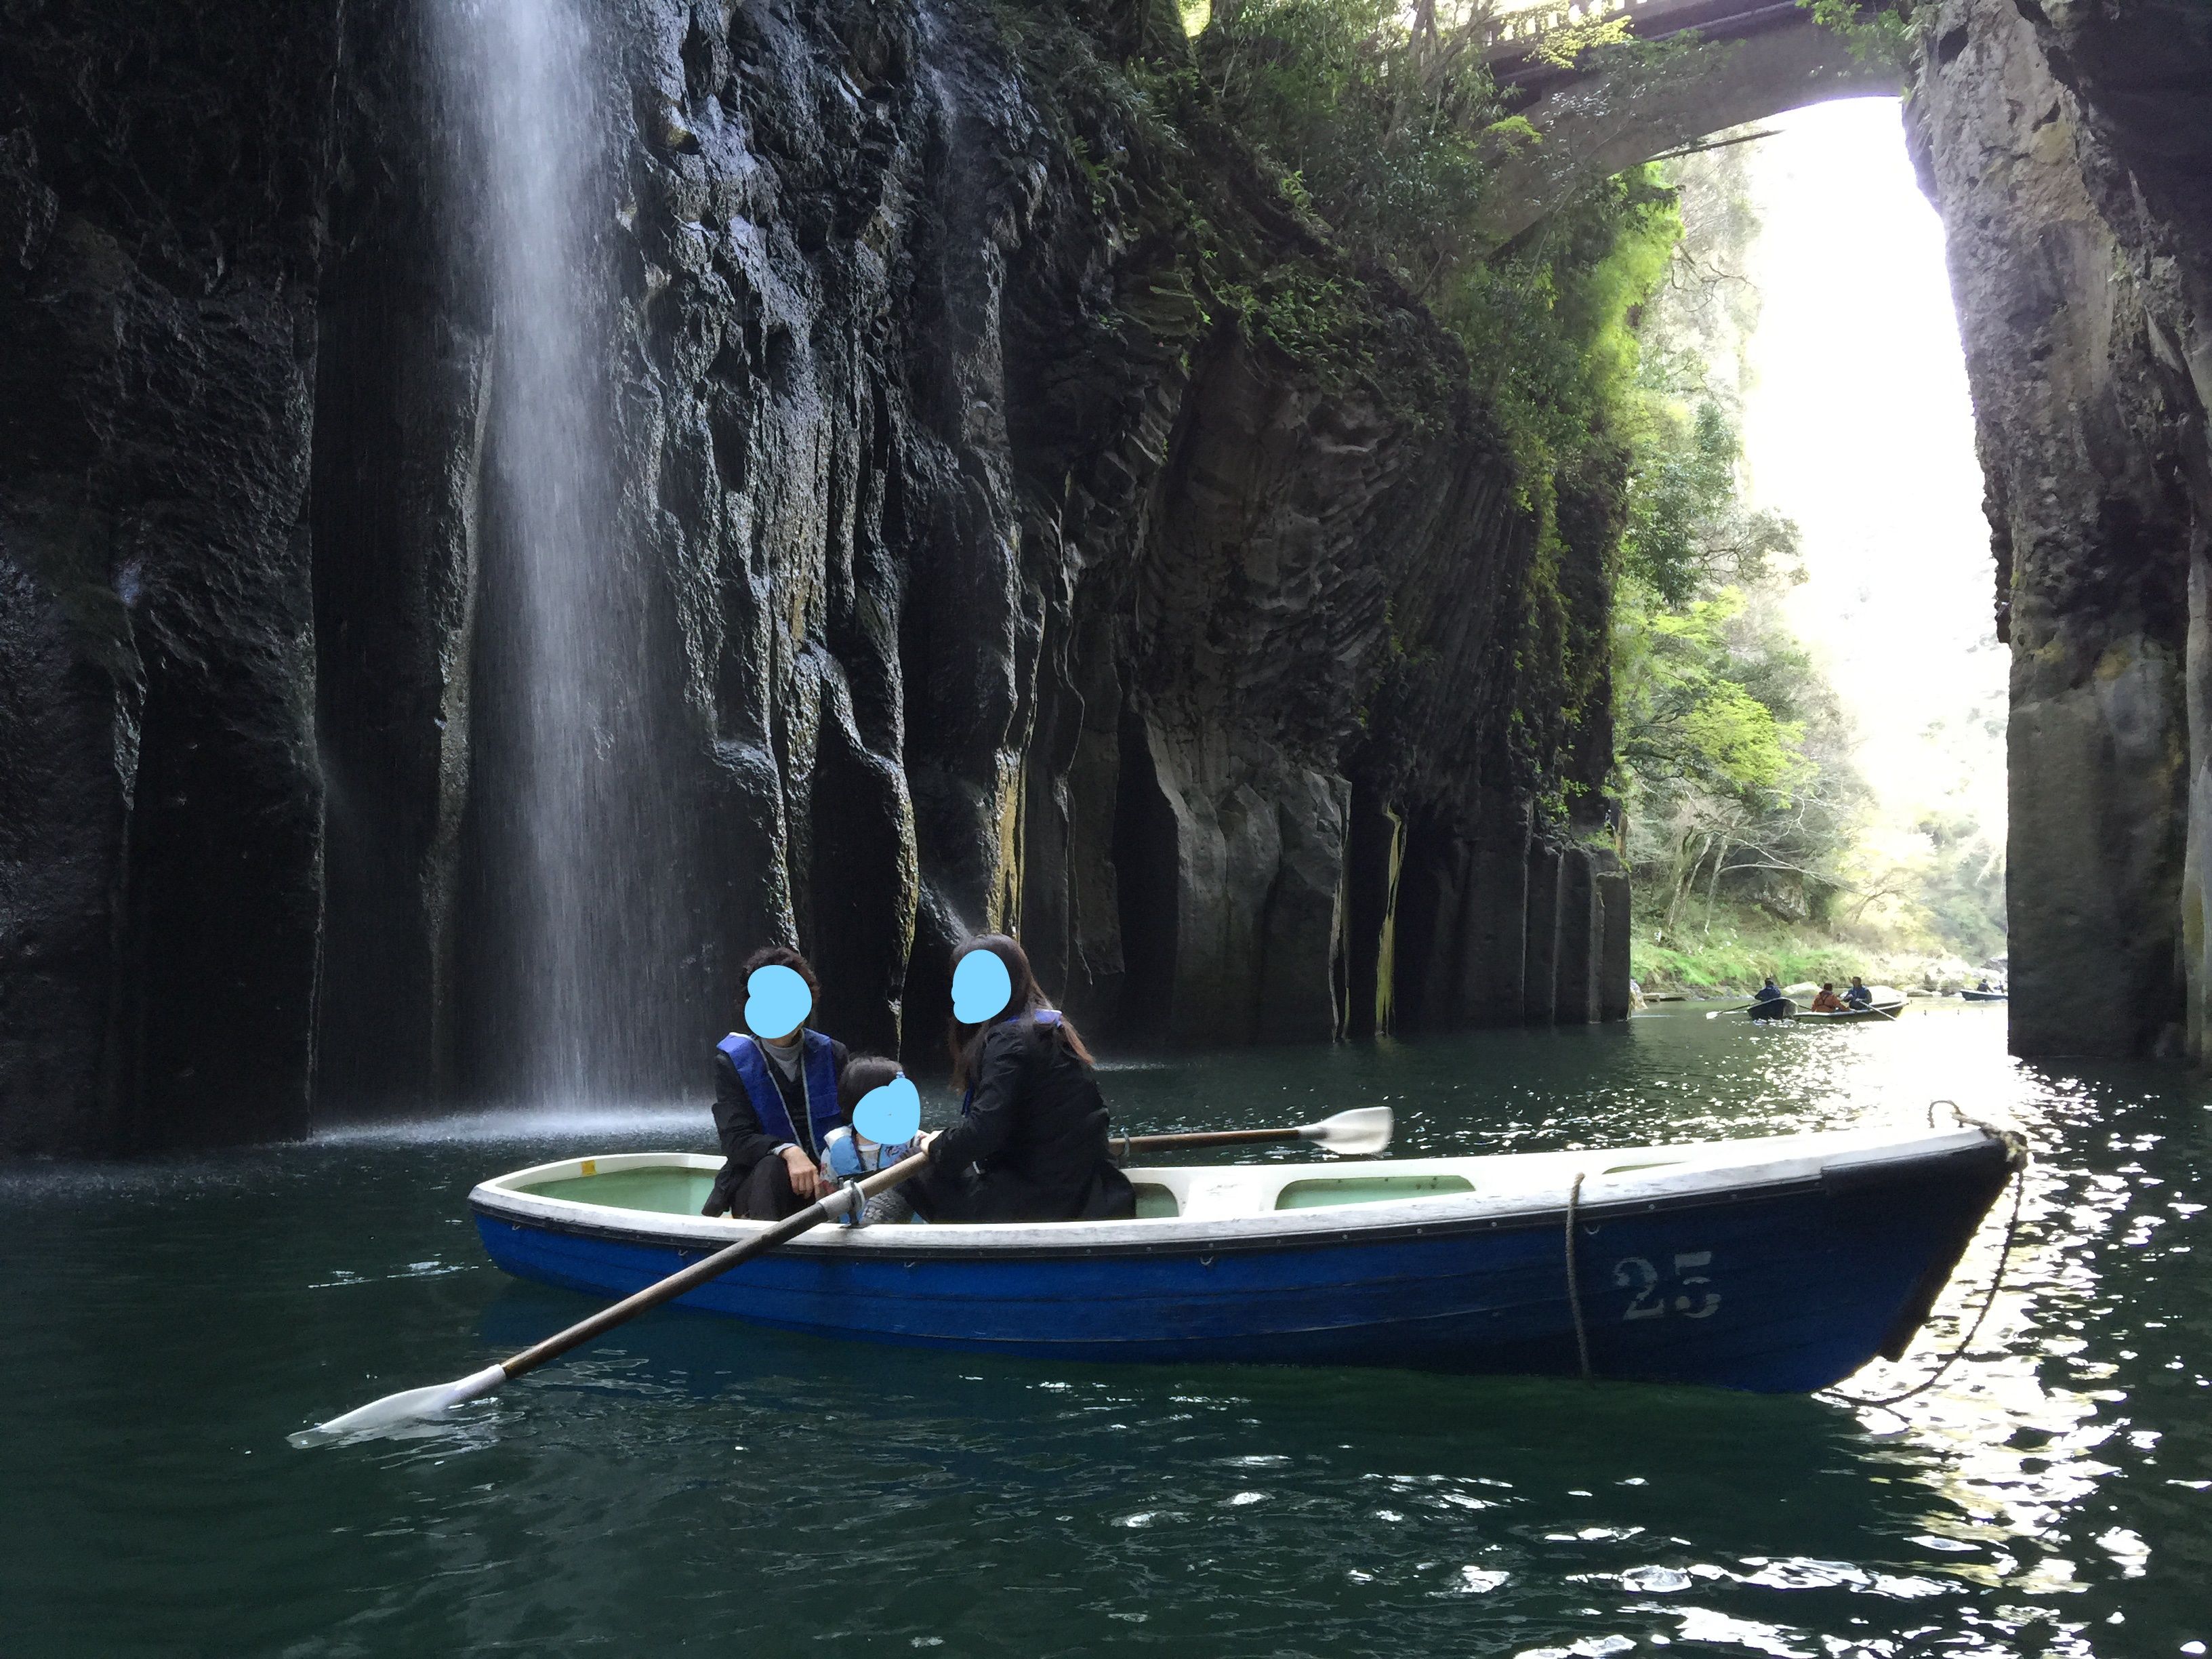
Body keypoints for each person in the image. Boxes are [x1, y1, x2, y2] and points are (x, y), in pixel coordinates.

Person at [907, 935, 1135, 1225]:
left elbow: (983, 1133)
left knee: (913, 1164)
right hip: (1089, 1192)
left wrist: (936, 1145)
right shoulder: (1050, 1027)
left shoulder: (1008, 1040)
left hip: (1039, 1203)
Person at [702, 945, 850, 1220]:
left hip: (830, 1180)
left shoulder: (833, 1054)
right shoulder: (733, 1062)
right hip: (764, 1186)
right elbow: (736, 1140)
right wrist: (788, 1152)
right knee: (772, 1167)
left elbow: (857, 1122)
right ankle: (765, 1256)